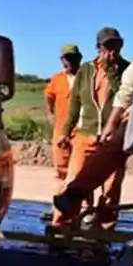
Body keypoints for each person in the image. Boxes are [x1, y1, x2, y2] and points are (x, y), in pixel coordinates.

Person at [53, 27, 131, 230]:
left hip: (113, 138)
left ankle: (104, 231)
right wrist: (65, 132)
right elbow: (74, 105)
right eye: (107, 46)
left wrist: (112, 72)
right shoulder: (85, 71)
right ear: (98, 48)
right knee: (74, 180)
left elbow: (125, 97)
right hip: (85, 134)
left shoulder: (128, 71)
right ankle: (62, 225)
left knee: (111, 188)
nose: (112, 51)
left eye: (116, 45)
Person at [44, 44, 82, 181]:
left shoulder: (87, 78)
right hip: (61, 130)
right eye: (65, 59)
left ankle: (84, 202)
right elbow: (48, 97)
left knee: (83, 170)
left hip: (82, 131)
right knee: (61, 169)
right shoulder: (57, 79)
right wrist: (49, 115)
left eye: (71, 58)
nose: (68, 61)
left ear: (79, 58)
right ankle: (61, 200)